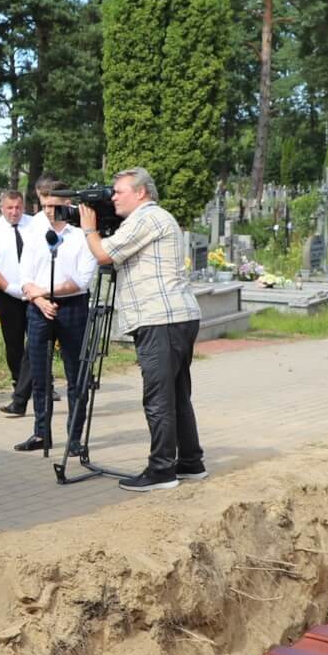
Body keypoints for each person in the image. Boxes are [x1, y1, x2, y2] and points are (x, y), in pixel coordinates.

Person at [83, 167, 206, 492]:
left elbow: (103, 254)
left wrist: (88, 229)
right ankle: (191, 463)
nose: (112, 197)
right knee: (177, 394)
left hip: (159, 318)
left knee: (158, 397)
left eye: (118, 191)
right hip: (175, 316)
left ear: (140, 192)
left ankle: (162, 470)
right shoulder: (153, 219)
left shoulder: (145, 218)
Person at [14, 189, 98, 454]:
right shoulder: (34, 235)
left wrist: (43, 292)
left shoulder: (80, 237)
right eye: (44, 205)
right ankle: (41, 433)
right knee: (39, 375)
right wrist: (38, 299)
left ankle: (74, 438)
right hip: (39, 309)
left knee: (76, 375)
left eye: (54, 205)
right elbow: (24, 277)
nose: (49, 211)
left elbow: (81, 280)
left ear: (68, 205)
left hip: (73, 307)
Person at [0, 188, 47, 417]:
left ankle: (42, 384)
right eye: (9, 208)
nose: (14, 212)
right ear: (2, 208)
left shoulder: (35, 225)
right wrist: (8, 287)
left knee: (38, 340)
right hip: (7, 292)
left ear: (24, 207)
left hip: (34, 292)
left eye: (18, 207)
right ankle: (18, 384)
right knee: (14, 342)